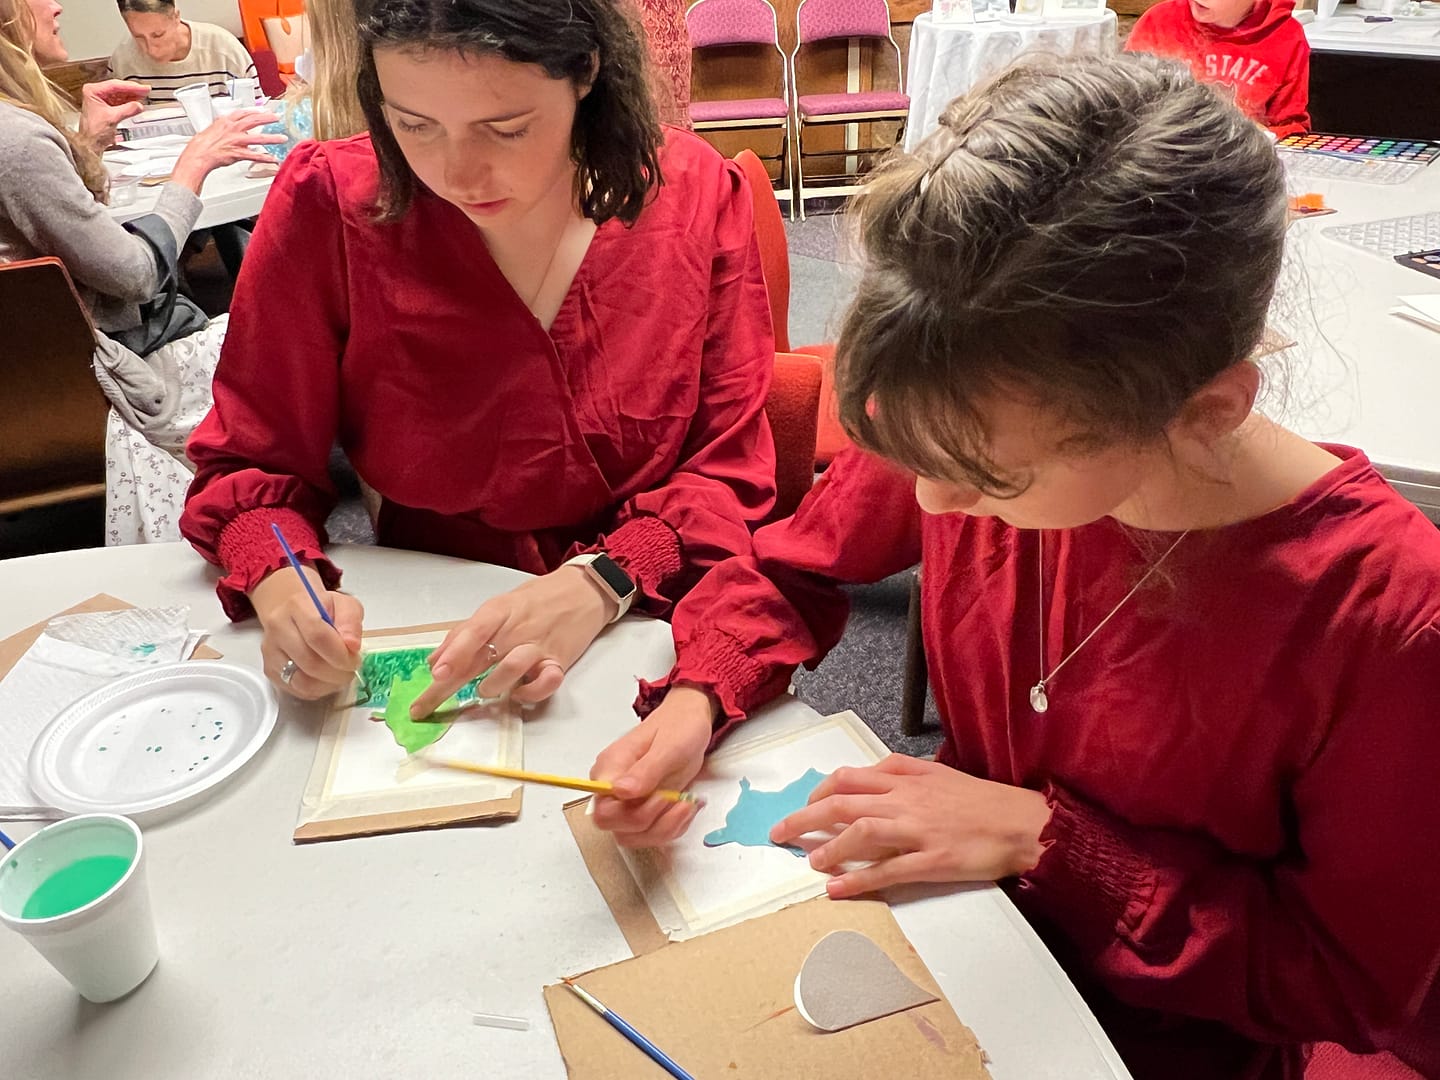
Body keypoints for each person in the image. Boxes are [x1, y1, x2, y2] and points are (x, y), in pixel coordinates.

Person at [587, 54, 1440, 1080]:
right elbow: (789, 568)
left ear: (1206, 410)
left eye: (990, 479)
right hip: (949, 951)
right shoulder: (972, 419)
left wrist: (1050, 845)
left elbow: (1350, 979)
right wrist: (696, 699)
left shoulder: (1387, 619)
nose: (935, 503)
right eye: (914, 456)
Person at [179, 0, 776, 713]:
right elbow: (253, 460)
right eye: (414, 125)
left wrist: (605, 580)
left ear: (585, 72)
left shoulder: (695, 193)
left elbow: (725, 466)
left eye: (506, 128)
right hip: (426, 613)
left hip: (649, 620)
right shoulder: (329, 202)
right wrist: (281, 578)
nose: (459, 175)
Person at [0, 0, 280, 542]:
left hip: (35, 378)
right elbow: (133, 276)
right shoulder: (17, 140)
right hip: (86, 383)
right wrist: (194, 166)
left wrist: (83, 144)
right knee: (291, 331)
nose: (57, 5)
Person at [1124, 0, 1309, 137]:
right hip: (1162, 158)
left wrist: (1258, 135)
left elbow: (1292, 128)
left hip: (1240, 167)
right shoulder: (1159, 22)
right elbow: (1125, 105)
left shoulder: (1286, 38)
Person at [107, 0, 256, 103]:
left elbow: (256, 114)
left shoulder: (224, 50)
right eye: (138, 37)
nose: (151, 50)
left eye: (158, 35)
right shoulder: (123, 59)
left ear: (176, 17)